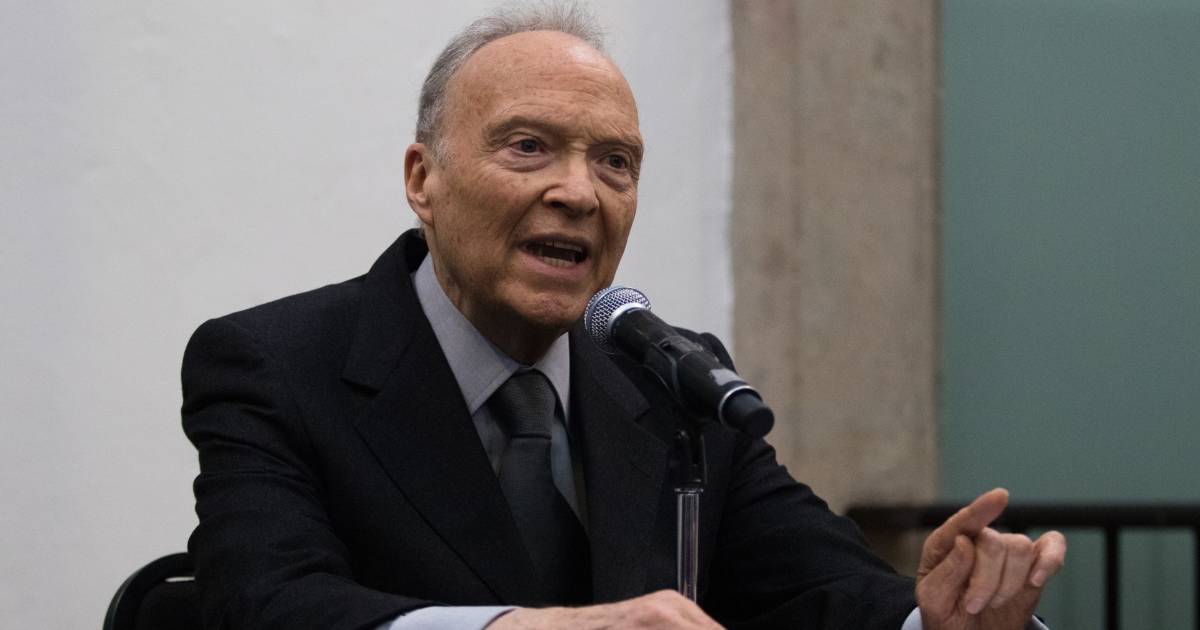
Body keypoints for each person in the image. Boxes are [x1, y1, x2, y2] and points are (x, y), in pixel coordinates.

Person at [181, 5, 1066, 630]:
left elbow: (818, 583)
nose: (579, 192)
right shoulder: (273, 366)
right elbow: (263, 604)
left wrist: (937, 621)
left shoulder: (673, 379)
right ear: (424, 180)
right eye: (529, 147)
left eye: (615, 162)